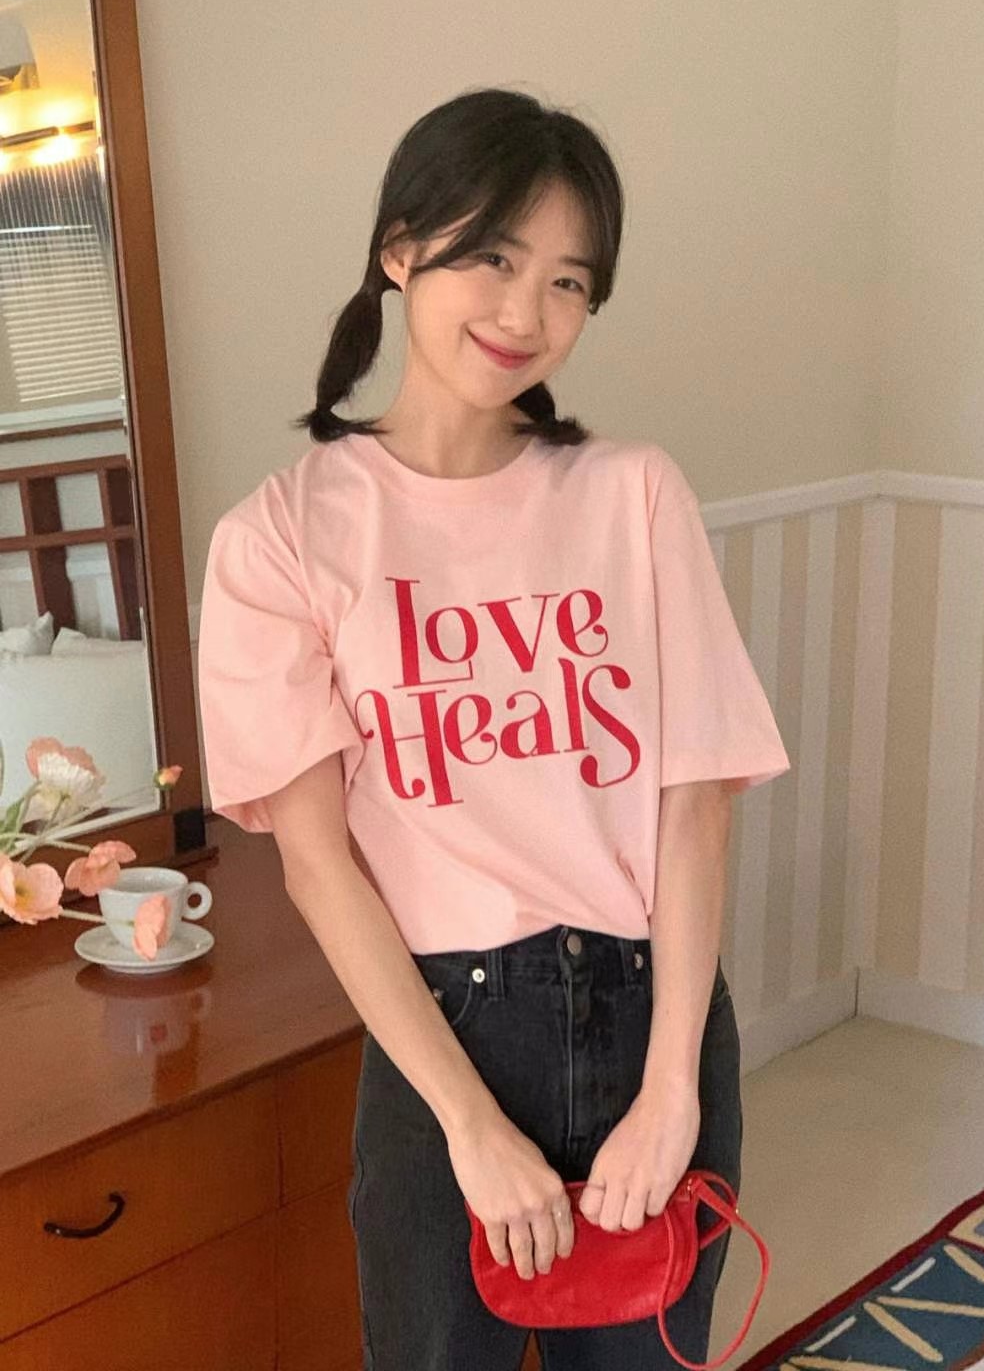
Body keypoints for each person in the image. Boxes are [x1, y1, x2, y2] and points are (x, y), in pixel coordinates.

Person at [197, 85, 790, 1371]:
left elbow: (695, 803)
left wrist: (674, 1089)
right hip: (442, 1039)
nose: (528, 313)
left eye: (570, 282)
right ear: (400, 249)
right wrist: (469, 1126)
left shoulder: (634, 494)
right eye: (495, 258)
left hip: (652, 1013)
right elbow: (318, 863)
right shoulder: (280, 539)